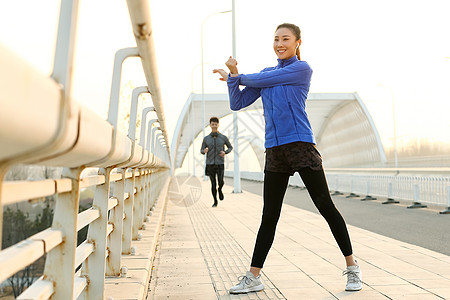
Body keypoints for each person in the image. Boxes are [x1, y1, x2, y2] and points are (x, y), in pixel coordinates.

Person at [213, 23, 362, 294]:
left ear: (297, 43)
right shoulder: (267, 74)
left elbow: (259, 81)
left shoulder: (301, 70)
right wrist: (235, 77)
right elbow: (237, 103)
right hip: (275, 149)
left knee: (325, 206)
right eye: (276, 39)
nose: (280, 43)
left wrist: (239, 75)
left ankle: (352, 268)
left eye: (285, 39)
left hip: (301, 145)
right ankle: (253, 276)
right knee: (269, 215)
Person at [200, 117, 233, 207]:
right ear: (210, 125)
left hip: (220, 163)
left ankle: (220, 189)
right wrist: (204, 151)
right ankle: (215, 201)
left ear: (218, 125)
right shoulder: (206, 139)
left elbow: (230, 147)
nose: (214, 126)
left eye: (215, 124)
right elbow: (201, 150)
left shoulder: (223, 137)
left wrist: (225, 152)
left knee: (221, 181)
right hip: (210, 164)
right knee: (213, 183)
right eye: (212, 124)